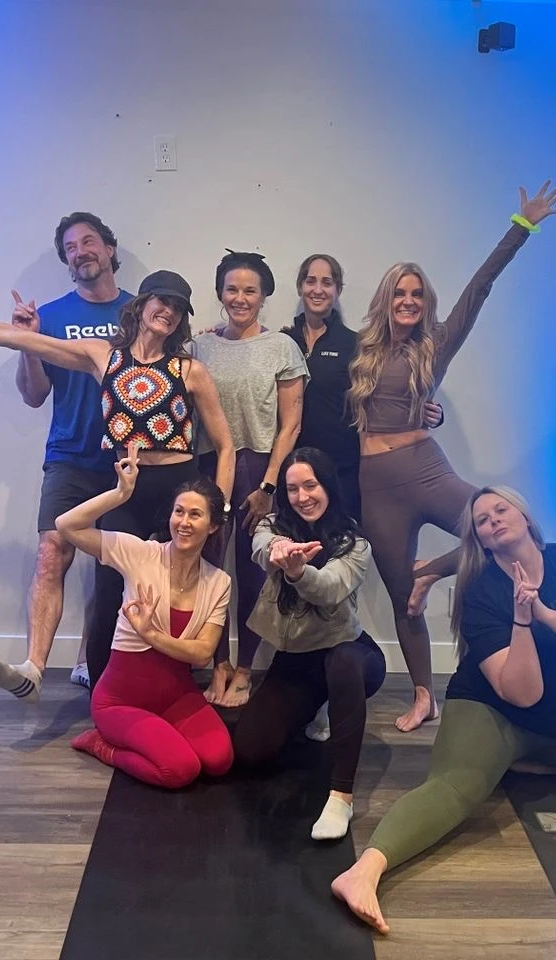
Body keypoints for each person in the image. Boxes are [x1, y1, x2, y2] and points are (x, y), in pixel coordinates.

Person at [332, 485, 556, 933]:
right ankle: (362, 872)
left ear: (525, 517)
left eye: (500, 510)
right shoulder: (480, 591)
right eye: (482, 521)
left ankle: (531, 762)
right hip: (492, 712)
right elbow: (521, 693)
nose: (493, 520)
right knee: (456, 788)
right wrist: (522, 619)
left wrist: (543, 612)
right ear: (482, 541)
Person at [0, 269, 235, 688]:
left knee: (176, 592)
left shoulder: (190, 370)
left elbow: (226, 446)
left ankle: (169, 686)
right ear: (140, 305)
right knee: (109, 595)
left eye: (177, 308)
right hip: (124, 490)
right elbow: (23, 340)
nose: (168, 312)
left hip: (177, 488)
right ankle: (105, 693)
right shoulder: (104, 356)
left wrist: (218, 510)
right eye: (162, 302)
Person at [348, 181, 556, 731]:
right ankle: (424, 695)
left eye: (417, 294)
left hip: (425, 470)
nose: (408, 301)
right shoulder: (362, 349)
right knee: (403, 596)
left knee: (499, 527)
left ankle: (435, 574)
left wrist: (522, 227)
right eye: (400, 293)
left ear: (426, 303)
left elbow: (481, 285)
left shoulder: (436, 344)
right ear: (386, 299)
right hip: (375, 484)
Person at [0, 212, 132, 702]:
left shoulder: (139, 315)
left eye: (89, 241)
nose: (81, 251)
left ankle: (96, 663)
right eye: (70, 246)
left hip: (124, 462)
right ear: (66, 260)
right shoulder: (46, 316)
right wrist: (28, 342)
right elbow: (32, 396)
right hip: (67, 456)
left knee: (112, 566)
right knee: (53, 551)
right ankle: (34, 669)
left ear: (110, 250)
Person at [55, 444, 233, 787]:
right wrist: (120, 493)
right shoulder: (140, 554)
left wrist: (150, 634)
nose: (183, 522)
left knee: (219, 761)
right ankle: (100, 744)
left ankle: (157, 734)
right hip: (120, 701)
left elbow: (202, 653)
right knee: (180, 771)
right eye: (179, 512)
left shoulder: (219, 582)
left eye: (195, 515)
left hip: (176, 696)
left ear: (212, 526)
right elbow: (67, 526)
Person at [232, 447, 386, 839]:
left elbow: (331, 588)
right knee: (251, 752)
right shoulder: (273, 523)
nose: (303, 497)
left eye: (311, 485)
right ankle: (320, 704)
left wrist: (299, 572)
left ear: (328, 485)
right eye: (293, 488)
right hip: (298, 658)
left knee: (344, 664)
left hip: (350, 650)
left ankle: (342, 797)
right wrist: (278, 552)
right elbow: (260, 548)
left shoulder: (354, 542)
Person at [192, 250, 308, 708]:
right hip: (207, 467)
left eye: (250, 290)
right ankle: (216, 663)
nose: (240, 298)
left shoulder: (282, 347)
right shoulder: (200, 347)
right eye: (232, 289)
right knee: (210, 569)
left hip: (260, 468)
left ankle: (244, 671)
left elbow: (291, 425)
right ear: (220, 293)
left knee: (255, 570)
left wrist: (269, 486)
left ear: (265, 296)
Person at [284, 254, 444, 521]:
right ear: (301, 287)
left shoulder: (358, 345)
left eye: (327, 282)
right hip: (294, 470)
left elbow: (391, 391)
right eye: (311, 281)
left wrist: (434, 413)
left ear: (338, 290)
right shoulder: (283, 341)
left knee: (345, 551)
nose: (318, 289)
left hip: (344, 470)